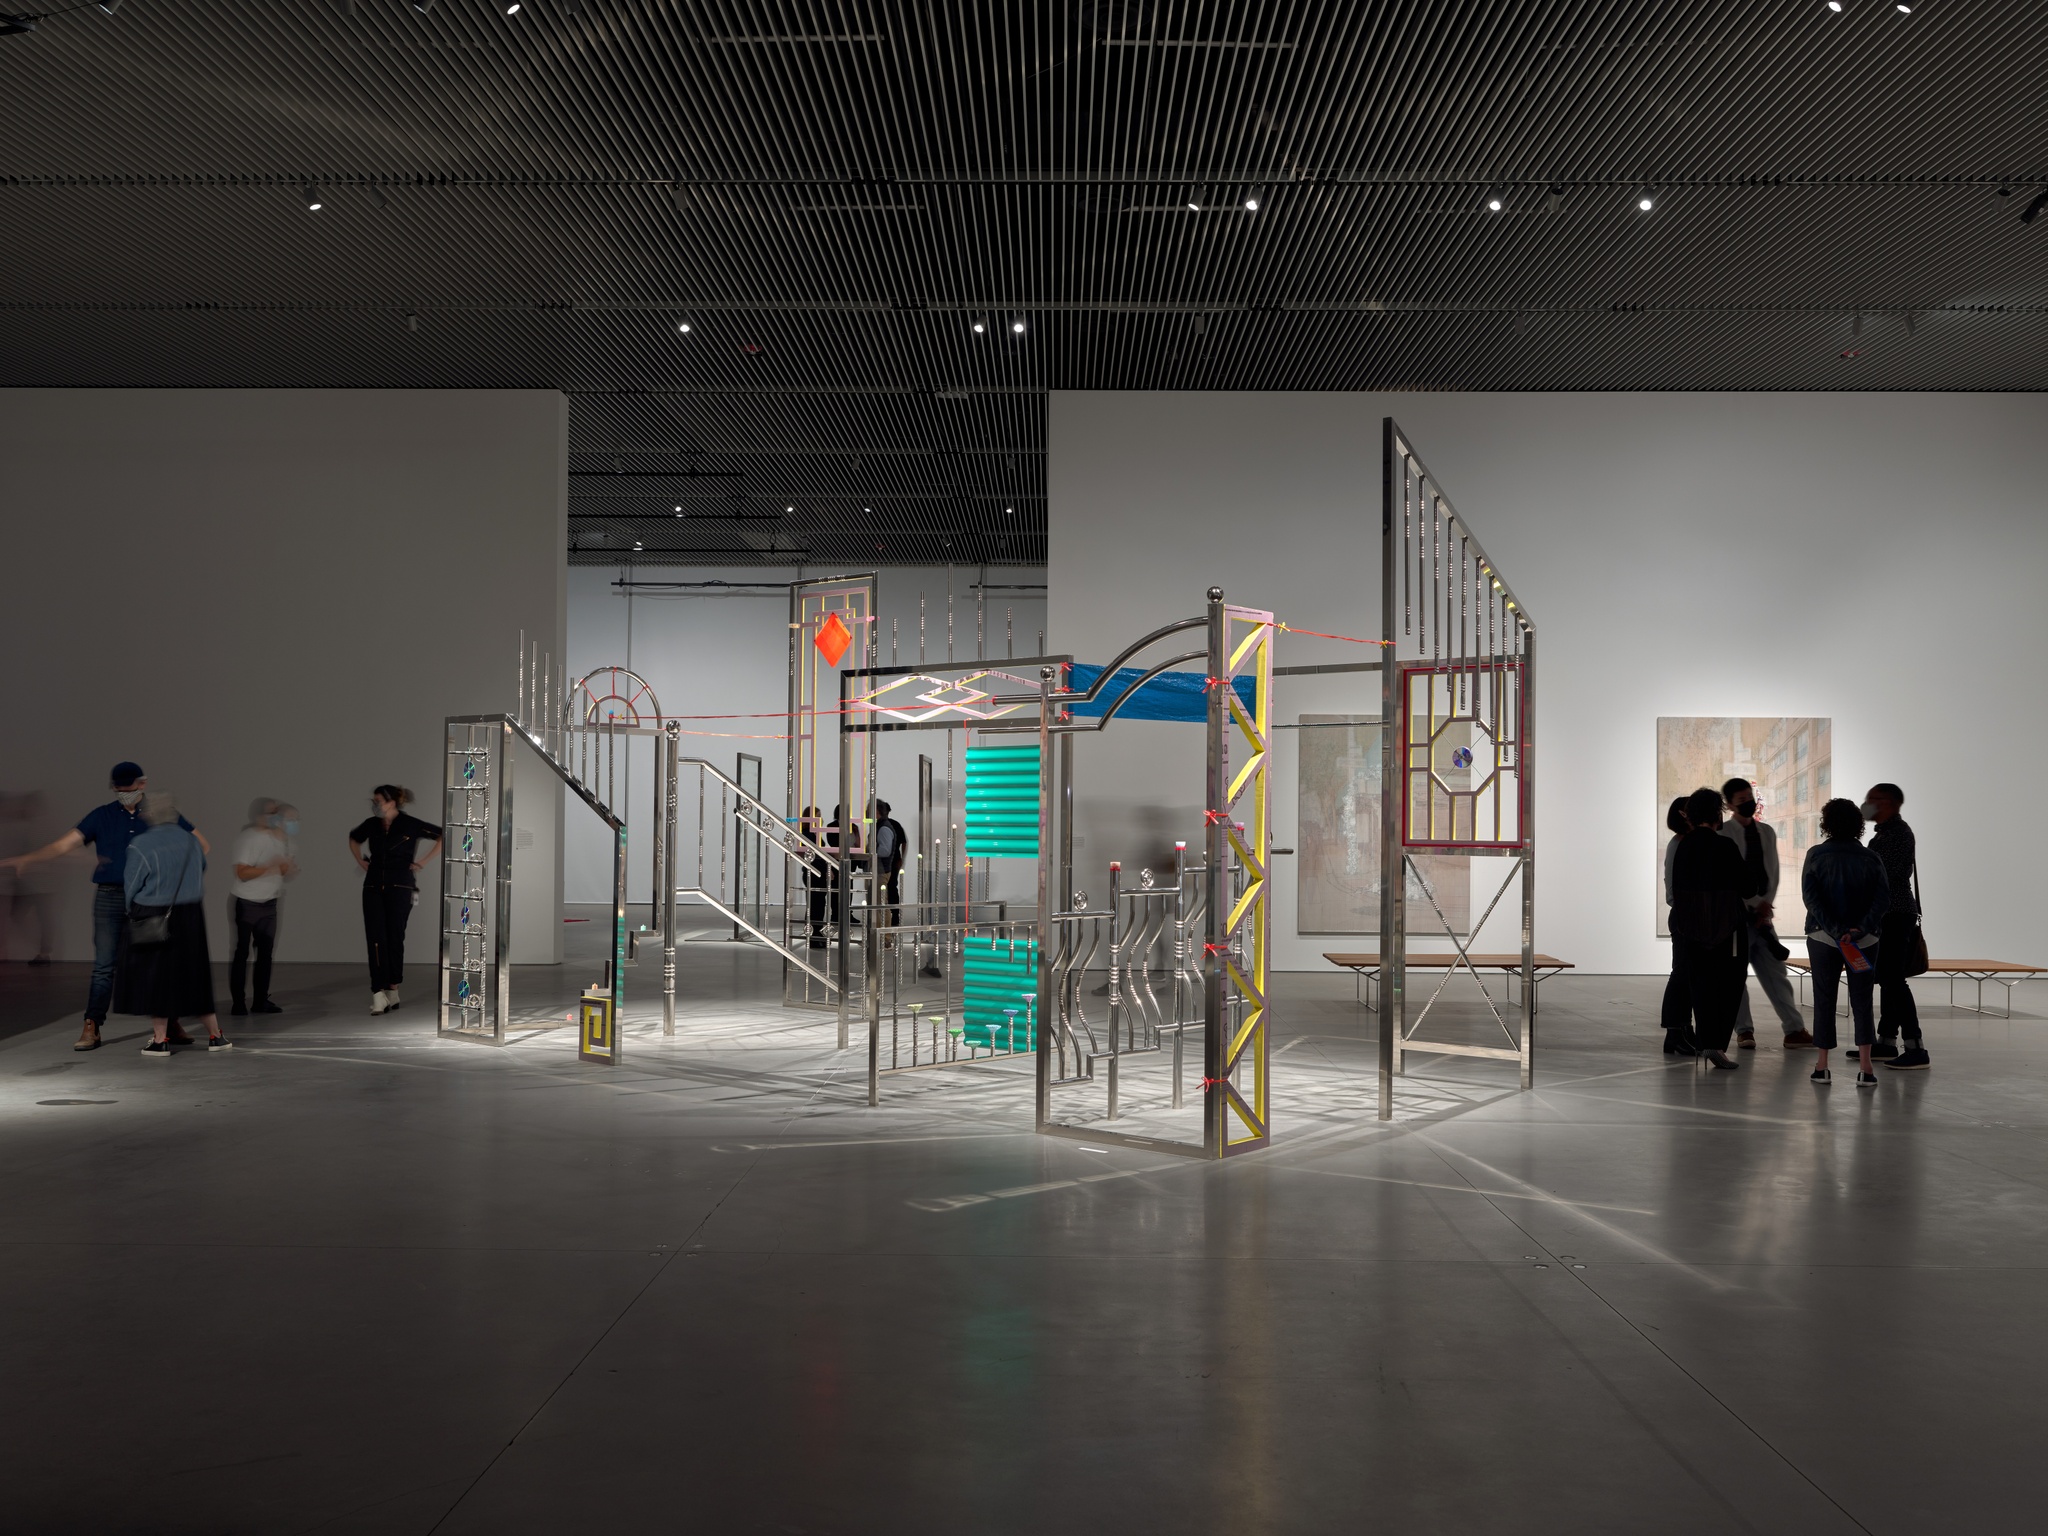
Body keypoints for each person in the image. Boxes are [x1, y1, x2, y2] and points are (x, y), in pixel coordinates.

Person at [0, 761, 208, 1051]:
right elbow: (62, 846)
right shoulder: (102, 816)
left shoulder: (159, 815)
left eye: (130, 787)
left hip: (149, 900)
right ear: (113, 788)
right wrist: (29, 859)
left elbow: (199, 845)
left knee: (158, 964)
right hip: (110, 897)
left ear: (142, 784)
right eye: (119, 788)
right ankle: (92, 1025)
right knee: (104, 965)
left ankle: (170, 1022)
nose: (125, 793)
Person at [120, 793, 229, 1056]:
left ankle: (160, 1040)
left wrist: (130, 910)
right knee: (195, 973)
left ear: (148, 815)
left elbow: (131, 885)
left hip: (153, 914)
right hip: (191, 914)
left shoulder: (140, 844)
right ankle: (216, 1036)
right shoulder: (191, 841)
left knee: (156, 977)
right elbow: (201, 867)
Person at [1801, 797, 1893, 1087]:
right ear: (1857, 825)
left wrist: (1835, 929)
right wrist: (1856, 931)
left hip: (1822, 937)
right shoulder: (1871, 858)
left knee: (1824, 999)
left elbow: (1811, 899)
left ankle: (1822, 1066)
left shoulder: (1816, 855)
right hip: (1864, 941)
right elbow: (1883, 901)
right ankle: (1866, 1069)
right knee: (1863, 1001)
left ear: (1826, 824)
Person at [1720, 777, 1815, 1050]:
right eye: (1741, 800)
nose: (1749, 803)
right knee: (1736, 979)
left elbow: (1772, 873)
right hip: (1737, 918)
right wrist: (1753, 903)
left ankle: (1794, 1030)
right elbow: (1731, 879)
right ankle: (1744, 1030)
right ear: (1729, 805)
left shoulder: (1767, 832)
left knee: (1776, 975)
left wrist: (1765, 906)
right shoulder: (1723, 834)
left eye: (1749, 797)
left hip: (1762, 919)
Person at [1667, 786, 1755, 1070]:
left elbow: (1678, 893)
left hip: (1693, 930)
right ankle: (1716, 1045)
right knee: (1729, 986)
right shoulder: (1724, 845)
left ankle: (1705, 1043)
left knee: (1701, 986)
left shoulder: (1684, 847)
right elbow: (1748, 886)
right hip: (1727, 930)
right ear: (1717, 815)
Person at [348, 786, 442, 1016]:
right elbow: (353, 838)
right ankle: (377, 992)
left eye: (378, 800)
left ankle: (393, 988)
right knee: (375, 937)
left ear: (391, 802)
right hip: (373, 886)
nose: (375, 803)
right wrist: (361, 861)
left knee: (395, 935)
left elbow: (443, 834)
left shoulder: (410, 824)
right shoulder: (371, 824)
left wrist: (423, 861)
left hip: (400, 885)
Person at [1863, 782, 1930, 1069]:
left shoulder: (1897, 835)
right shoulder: (1888, 833)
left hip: (1894, 913)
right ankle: (1887, 1043)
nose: (1866, 803)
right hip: (1888, 913)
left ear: (1888, 803)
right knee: (1888, 978)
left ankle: (1915, 1047)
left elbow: (1882, 876)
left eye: (1873, 799)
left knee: (1892, 979)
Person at [229, 798, 297, 1016]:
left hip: (269, 902)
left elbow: (283, 872)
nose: (275, 816)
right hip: (247, 902)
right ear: (258, 816)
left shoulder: (279, 839)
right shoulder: (248, 838)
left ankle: (260, 1000)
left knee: (265, 955)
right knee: (242, 953)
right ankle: (238, 1002)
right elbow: (241, 872)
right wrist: (269, 867)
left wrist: (285, 868)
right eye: (271, 813)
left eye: (276, 812)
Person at [1660, 796, 1701, 1056]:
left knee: (1688, 975)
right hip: (1685, 917)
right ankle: (1674, 1032)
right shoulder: (1679, 843)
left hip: (1691, 916)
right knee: (1682, 974)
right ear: (1683, 815)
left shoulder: (1689, 842)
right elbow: (1671, 891)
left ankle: (1684, 1029)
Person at [872, 798, 908, 943]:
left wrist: (901, 859)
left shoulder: (886, 826)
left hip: (888, 864)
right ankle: (889, 923)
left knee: (889, 892)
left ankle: (893, 920)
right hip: (889, 863)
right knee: (888, 892)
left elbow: (902, 842)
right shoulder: (885, 825)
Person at [797, 806, 829, 949]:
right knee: (816, 906)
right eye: (818, 816)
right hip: (814, 873)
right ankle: (813, 936)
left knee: (818, 905)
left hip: (817, 873)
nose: (820, 819)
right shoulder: (808, 834)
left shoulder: (814, 833)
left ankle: (815, 935)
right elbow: (814, 856)